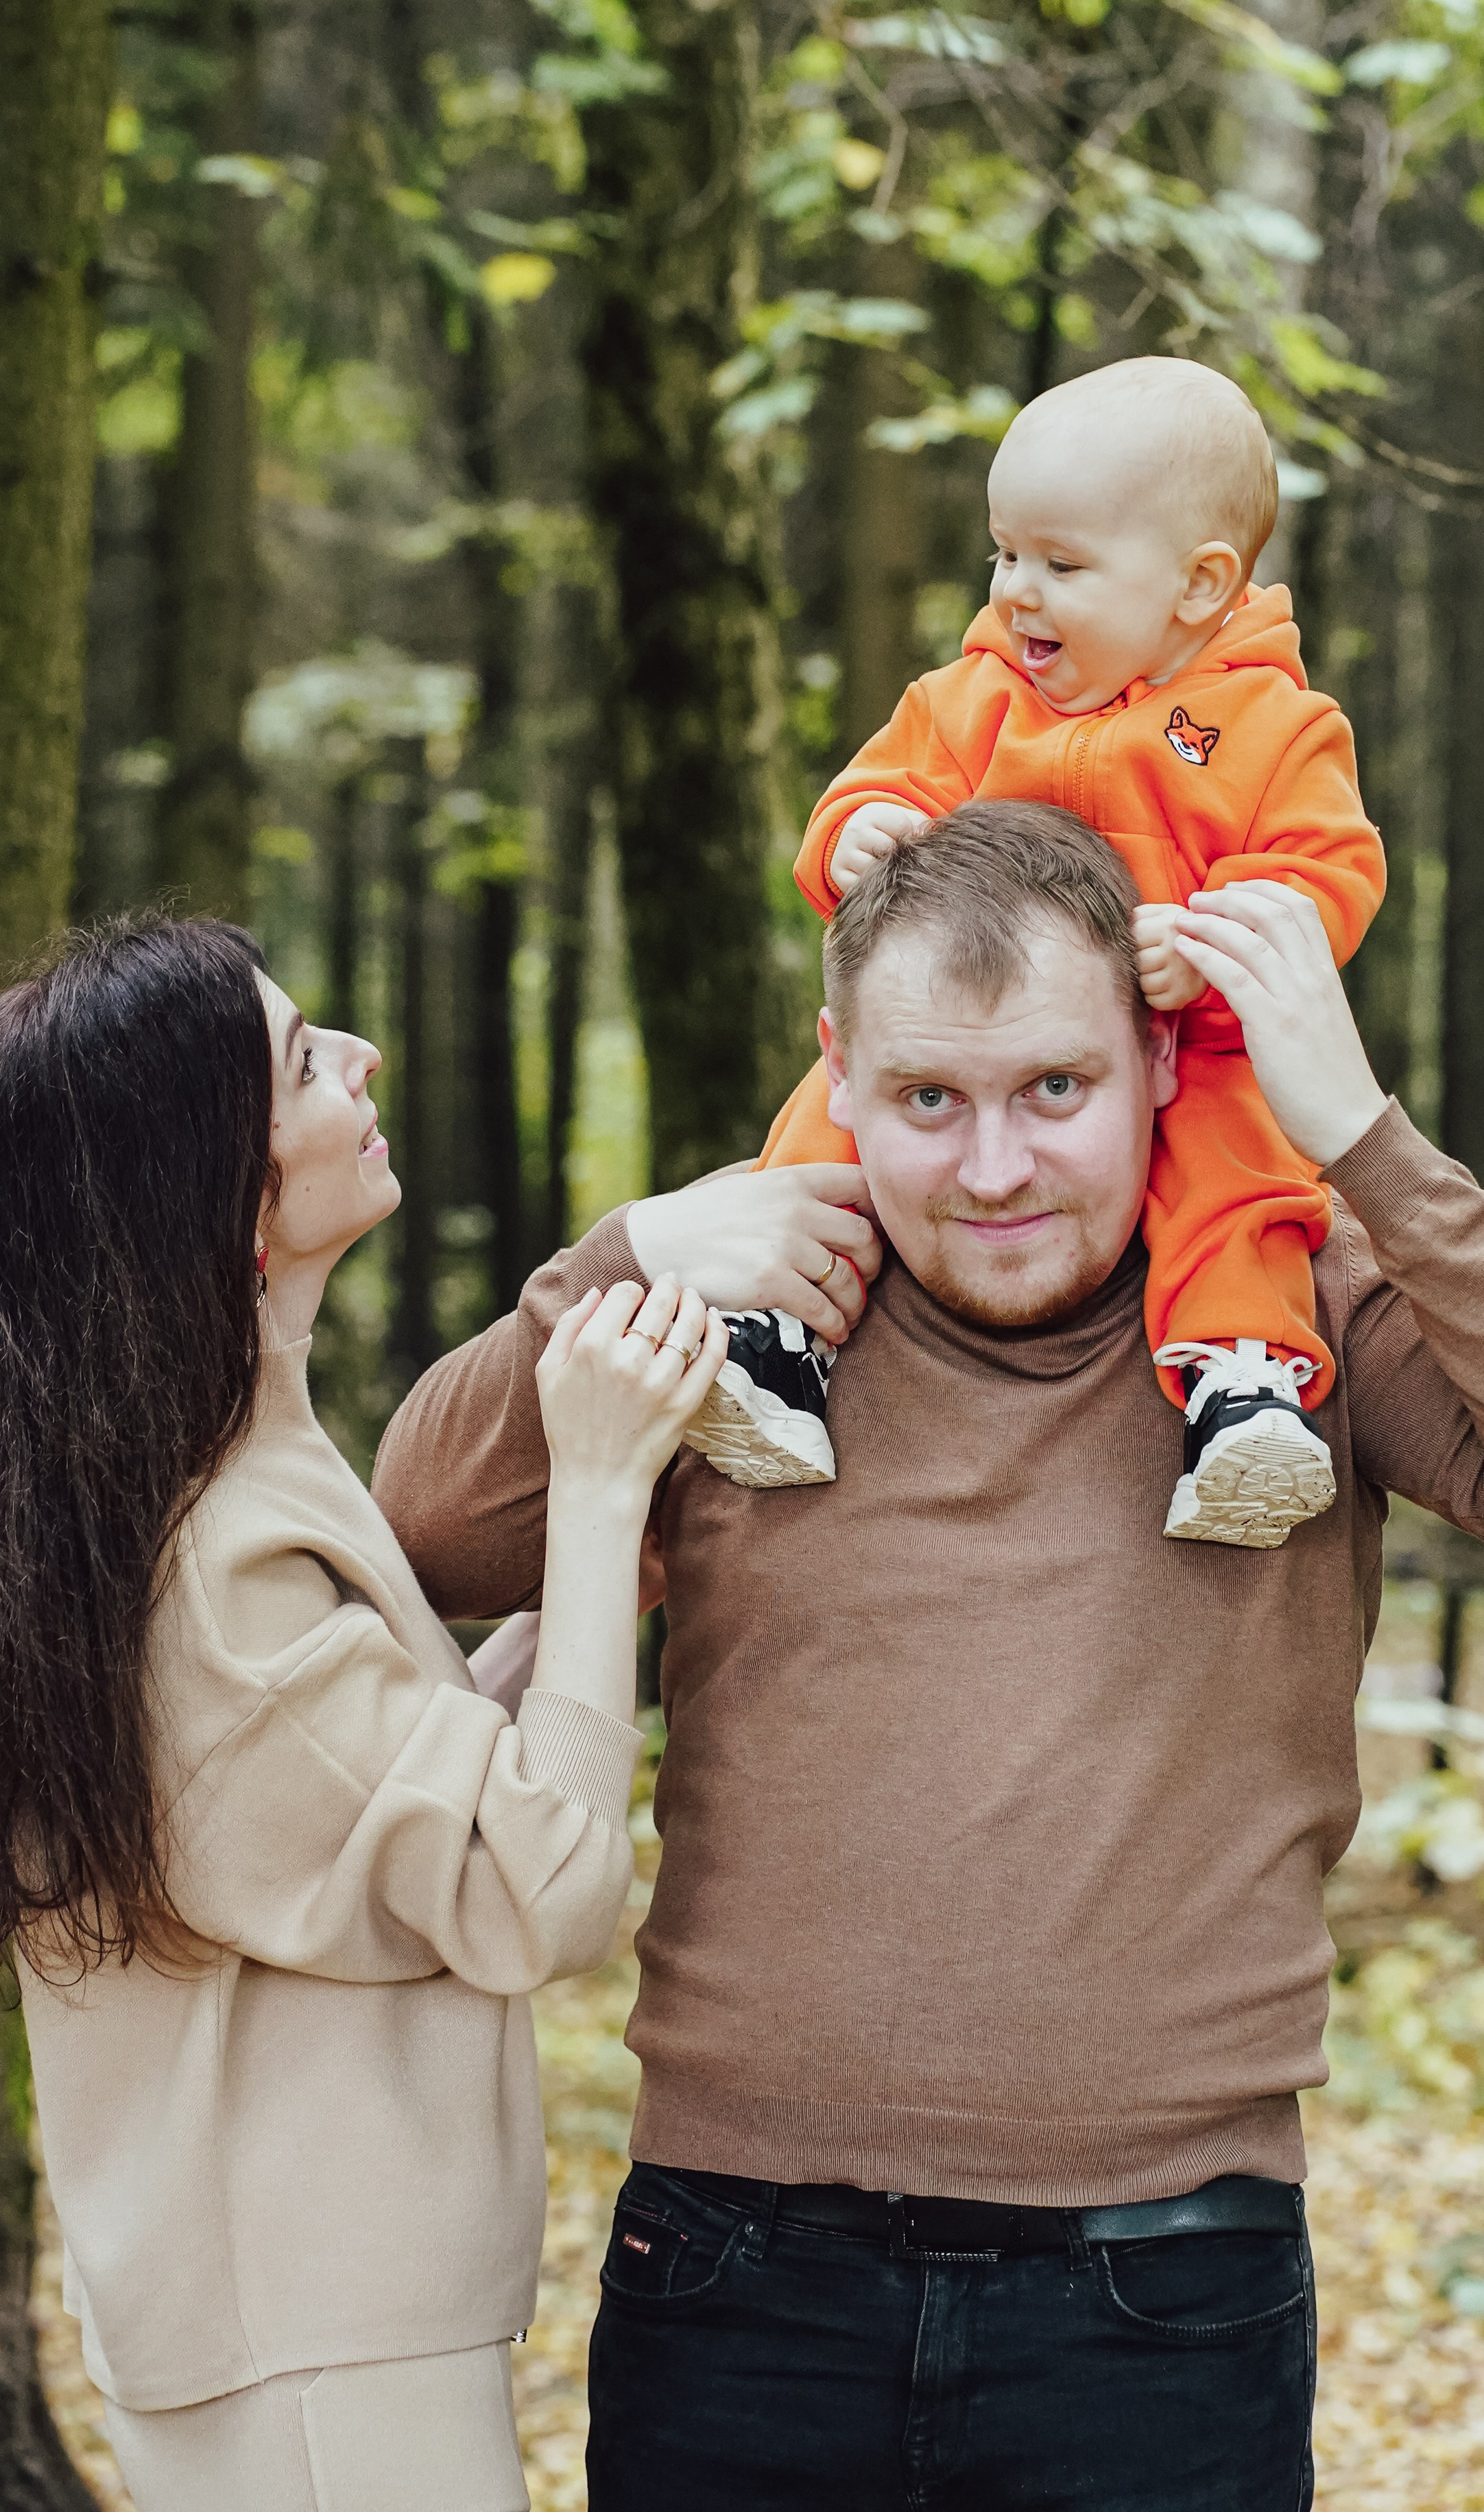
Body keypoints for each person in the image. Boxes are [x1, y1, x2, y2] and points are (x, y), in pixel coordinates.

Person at [373, 802, 1484, 2512]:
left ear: (1161, 1061)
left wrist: (1363, 1140)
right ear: (839, 1074)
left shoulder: (1282, 1326)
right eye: (929, 1099)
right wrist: (635, 1251)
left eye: (1053, 1092)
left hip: (1159, 2294)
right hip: (737, 2280)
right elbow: (428, 1523)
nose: (992, 1167)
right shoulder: (760, 1321)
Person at [0, 915, 873, 2512]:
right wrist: (594, 1489)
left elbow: (354, 1809)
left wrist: (566, 1628)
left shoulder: (206, 1467)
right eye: (304, 1060)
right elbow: (537, 1893)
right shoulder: (217, 1546)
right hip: (310, 2347)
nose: (361, 1062)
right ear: (224, 1187)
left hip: (301, 2322)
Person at [683, 357, 1387, 1552]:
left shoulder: (1273, 726)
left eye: (1061, 566)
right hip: (979, 1032)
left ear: (1197, 585)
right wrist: (853, 837)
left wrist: (1216, 943)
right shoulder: (970, 700)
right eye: (1004, 554)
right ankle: (778, 1341)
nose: (1016, 593)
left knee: (1243, 1188)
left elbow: (1327, 873)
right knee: (839, 1114)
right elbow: (873, 789)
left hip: (1192, 1046)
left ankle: (1244, 1388)